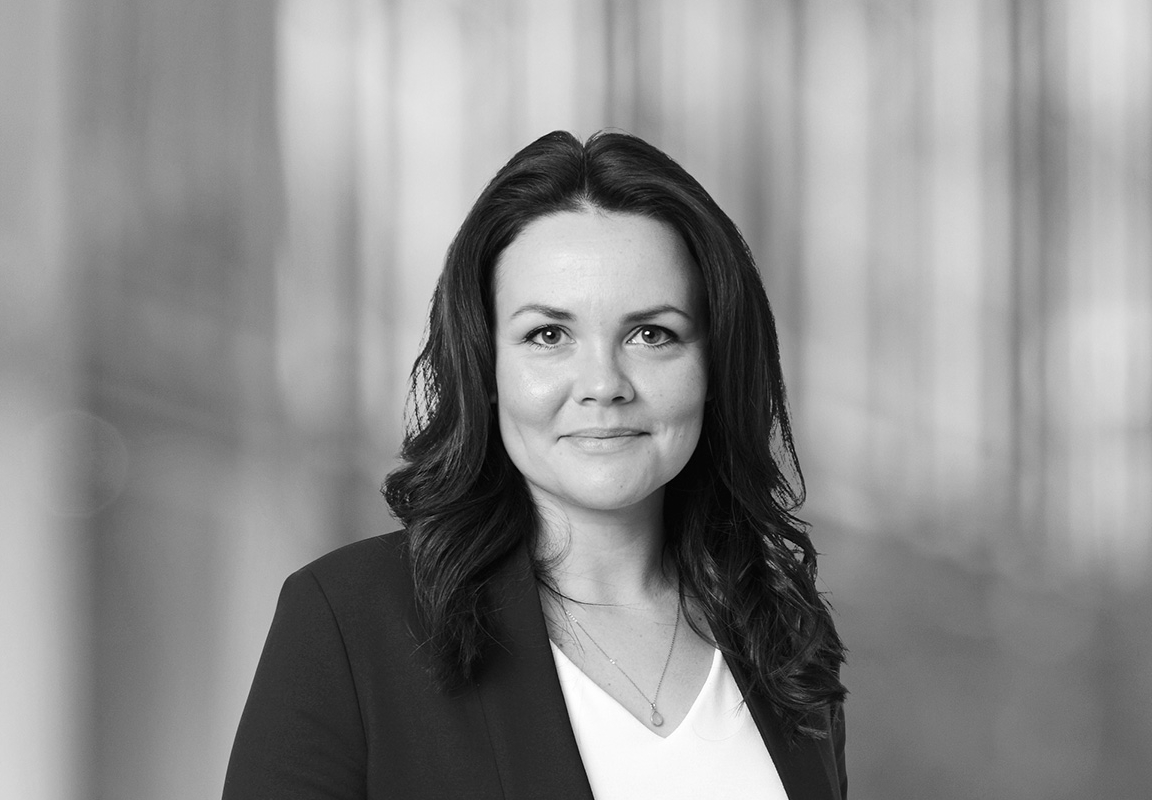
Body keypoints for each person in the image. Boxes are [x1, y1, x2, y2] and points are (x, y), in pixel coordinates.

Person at [223, 130, 847, 799]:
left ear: (714, 366)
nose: (603, 384)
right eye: (548, 335)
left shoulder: (782, 638)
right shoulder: (351, 622)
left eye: (652, 334)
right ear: (486, 368)